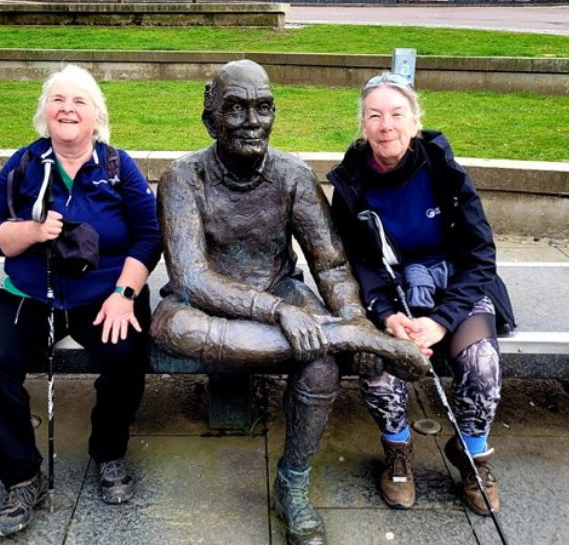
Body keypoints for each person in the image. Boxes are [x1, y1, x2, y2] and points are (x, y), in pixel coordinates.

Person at [150, 60, 428, 545]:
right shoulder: (183, 178)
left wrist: (350, 309)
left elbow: (332, 265)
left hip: (281, 290)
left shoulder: (293, 174)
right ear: (210, 118)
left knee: (320, 366)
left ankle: (292, 485)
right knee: (175, 329)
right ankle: (344, 338)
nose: (251, 121)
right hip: (220, 304)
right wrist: (291, 316)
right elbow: (192, 279)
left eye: (262, 108)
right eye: (235, 109)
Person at [0, 64, 161, 537]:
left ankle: (109, 451)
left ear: (96, 116)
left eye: (79, 101)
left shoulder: (118, 167)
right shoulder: (24, 164)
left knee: (126, 352)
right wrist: (32, 232)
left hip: (104, 295)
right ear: (44, 113)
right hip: (33, 293)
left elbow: (149, 236)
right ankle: (21, 476)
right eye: (58, 100)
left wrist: (124, 294)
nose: (68, 109)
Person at [327, 72, 516, 516]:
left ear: (415, 122)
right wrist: (387, 313)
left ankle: (473, 456)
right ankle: (397, 452)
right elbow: (357, 262)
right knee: (376, 363)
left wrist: (442, 320)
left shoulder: (445, 171)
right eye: (374, 115)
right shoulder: (351, 184)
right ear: (363, 124)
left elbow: (480, 255)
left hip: (455, 289)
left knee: (481, 362)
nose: (386, 125)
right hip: (391, 294)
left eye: (396, 114)